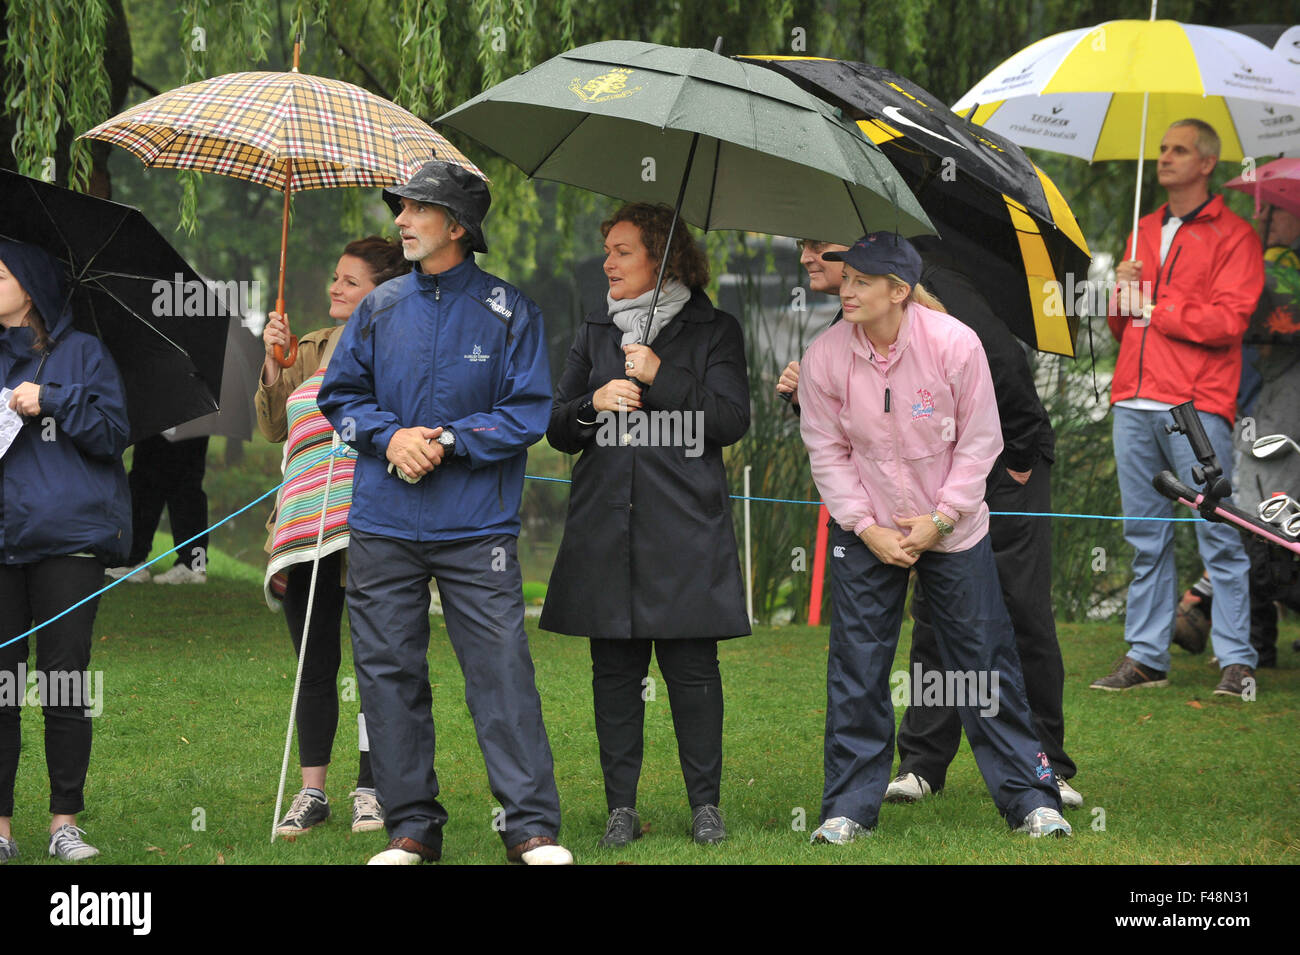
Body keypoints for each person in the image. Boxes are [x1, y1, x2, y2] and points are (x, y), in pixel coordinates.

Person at [317, 160, 570, 865]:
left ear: (456, 226)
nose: (400, 219)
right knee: (388, 674)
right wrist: (389, 435)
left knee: (500, 673)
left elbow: (527, 413)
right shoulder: (377, 307)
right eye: (400, 207)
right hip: (383, 525)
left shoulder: (513, 311)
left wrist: (453, 441)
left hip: (475, 529)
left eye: (415, 209)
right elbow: (340, 397)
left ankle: (530, 828)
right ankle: (411, 830)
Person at [779, 236, 1080, 809]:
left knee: (986, 655)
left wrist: (941, 520)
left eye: (860, 282)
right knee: (858, 668)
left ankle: (1032, 797)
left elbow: (980, 440)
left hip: (953, 526)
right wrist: (866, 527)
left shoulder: (954, 341)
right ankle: (850, 807)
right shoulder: (823, 356)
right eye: (845, 280)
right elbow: (827, 450)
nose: (846, 290)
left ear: (899, 291)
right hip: (867, 532)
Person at [541, 202, 750, 848]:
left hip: (684, 530)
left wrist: (662, 377)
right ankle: (620, 808)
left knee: (692, 673)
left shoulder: (715, 329)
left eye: (623, 251)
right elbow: (555, 426)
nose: (607, 263)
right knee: (614, 674)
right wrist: (592, 403)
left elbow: (728, 419)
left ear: (664, 259)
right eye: (608, 251)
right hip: (607, 528)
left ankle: (706, 805)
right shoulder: (594, 331)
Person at [1093, 119, 1264, 698]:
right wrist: (1122, 294)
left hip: (1195, 403)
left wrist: (1155, 304)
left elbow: (1228, 322)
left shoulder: (1235, 236)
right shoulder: (1142, 228)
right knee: (1144, 535)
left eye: (1178, 150)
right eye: (1162, 148)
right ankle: (1146, 657)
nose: (1164, 158)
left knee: (1217, 531)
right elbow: (1125, 328)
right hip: (1131, 400)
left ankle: (1237, 660)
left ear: (1207, 163)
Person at [257, 236, 407, 838]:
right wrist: (273, 362)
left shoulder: (394, 341)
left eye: (350, 281)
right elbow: (272, 426)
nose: (335, 288)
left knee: (377, 658)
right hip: (300, 525)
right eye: (335, 278)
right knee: (313, 663)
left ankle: (371, 788)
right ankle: (312, 792)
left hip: (369, 520)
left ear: (381, 289)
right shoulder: (309, 344)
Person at [0, 240, 131, 862]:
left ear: (32, 286)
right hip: (1, 544)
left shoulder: (83, 353)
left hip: (69, 546)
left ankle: (63, 824)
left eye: (0, 273)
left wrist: (51, 398)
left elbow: (112, 434)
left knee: (62, 683)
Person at [106, 433, 210, 584]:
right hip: (162, 421)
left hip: (188, 421)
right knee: (147, 480)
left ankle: (194, 564)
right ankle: (134, 559)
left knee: (184, 486)